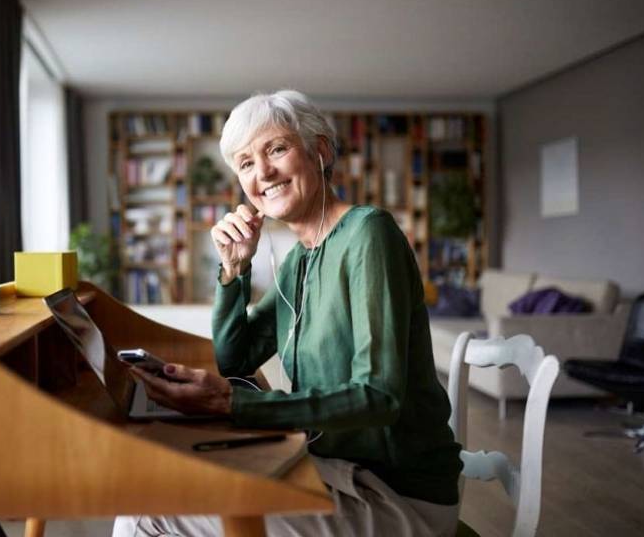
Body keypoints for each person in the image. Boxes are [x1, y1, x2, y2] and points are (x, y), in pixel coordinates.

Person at [114, 90, 462, 536]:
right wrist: (234, 268)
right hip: (330, 472)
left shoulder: (368, 234)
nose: (262, 173)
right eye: (245, 163)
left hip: (394, 496)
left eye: (276, 149)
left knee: (149, 510)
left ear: (320, 151)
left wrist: (228, 401)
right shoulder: (300, 258)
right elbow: (235, 361)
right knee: (160, 489)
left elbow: (380, 397)